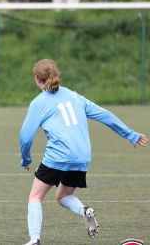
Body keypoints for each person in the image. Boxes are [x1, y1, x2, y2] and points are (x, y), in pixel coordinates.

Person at [19, 59, 147, 245]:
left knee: (35, 196)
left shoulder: (38, 103)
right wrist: (131, 135)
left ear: (37, 78)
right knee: (63, 196)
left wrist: (25, 158)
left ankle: (35, 239)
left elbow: (25, 137)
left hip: (58, 156)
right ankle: (84, 211)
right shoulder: (74, 96)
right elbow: (104, 115)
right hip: (82, 157)